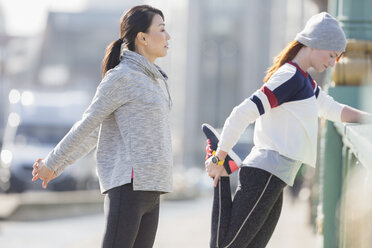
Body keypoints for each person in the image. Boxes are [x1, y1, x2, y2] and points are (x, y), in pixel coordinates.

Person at [203, 12, 372, 248]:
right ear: (315, 43)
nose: (333, 63)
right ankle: (222, 169)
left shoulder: (306, 82)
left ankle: (224, 165)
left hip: (278, 178)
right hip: (265, 173)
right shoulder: (289, 77)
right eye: (332, 55)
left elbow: (334, 110)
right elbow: (243, 112)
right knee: (227, 246)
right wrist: (219, 155)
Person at [31, 5, 172, 248]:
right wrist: (54, 164)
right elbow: (89, 125)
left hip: (153, 188)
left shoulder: (156, 80)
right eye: (162, 29)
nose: (168, 36)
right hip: (129, 186)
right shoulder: (122, 76)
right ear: (143, 37)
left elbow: (98, 131)